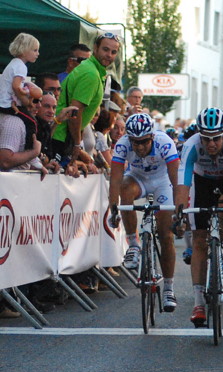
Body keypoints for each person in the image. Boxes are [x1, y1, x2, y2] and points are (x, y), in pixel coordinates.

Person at [173, 107, 223, 326]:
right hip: (202, 182)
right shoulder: (191, 145)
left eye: (216, 138)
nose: (211, 144)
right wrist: (179, 214)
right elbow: (183, 183)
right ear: (200, 135)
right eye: (206, 139)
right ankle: (198, 303)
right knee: (199, 239)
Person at [109, 114, 180, 311]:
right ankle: (133, 245)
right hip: (137, 179)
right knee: (124, 188)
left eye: (143, 142)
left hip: (162, 182)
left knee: (166, 236)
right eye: (135, 142)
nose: (139, 147)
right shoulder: (123, 144)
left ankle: (168, 287)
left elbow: (176, 179)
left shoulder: (165, 142)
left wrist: (180, 210)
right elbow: (114, 179)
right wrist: (113, 208)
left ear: (152, 137)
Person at [52, 32, 121, 172]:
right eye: (105, 49)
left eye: (113, 52)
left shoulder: (91, 70)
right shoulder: (91, 74)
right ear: (95, 48)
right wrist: (77, 144)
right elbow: (74, 112)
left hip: (62, 135)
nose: (109, 55)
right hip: (62, 137)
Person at [0, 33, 40, 151]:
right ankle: (30, 150)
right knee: (32, 122)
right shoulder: (21, 66)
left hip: (5, 102)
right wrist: (25, 95)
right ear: (24, 50)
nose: (38, 54)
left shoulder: (13, 63)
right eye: (35, 50)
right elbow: (16, 86)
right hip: (6, 104)